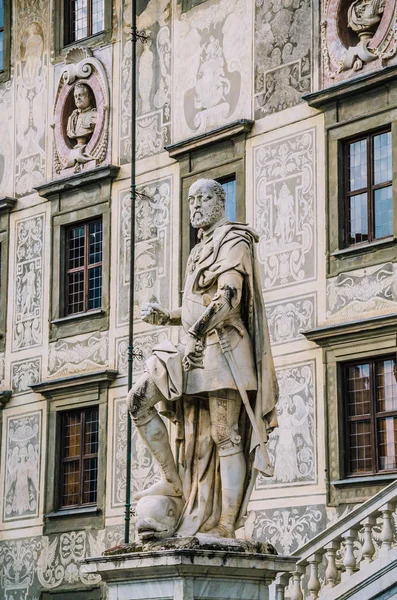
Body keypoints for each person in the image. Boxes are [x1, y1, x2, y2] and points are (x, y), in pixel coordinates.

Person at [127, 178, 278, 539]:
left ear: (220, 199)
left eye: (203, 198)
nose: (194, 205)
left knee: (226, 435)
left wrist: (195, 331)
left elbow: (228, 299)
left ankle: (225, 524)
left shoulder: (234, 239)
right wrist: (168, 316)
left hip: (224, 349)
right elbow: (200, 302)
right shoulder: (199, 249)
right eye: (191, 199)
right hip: (194, 348)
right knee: (139, 401)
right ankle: (173, 481)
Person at [67, 83, 97, 148]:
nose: (78, 98)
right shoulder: (72, 118)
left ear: (89, 97)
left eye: (81, 95)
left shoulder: (94, 115)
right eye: (76, 96)